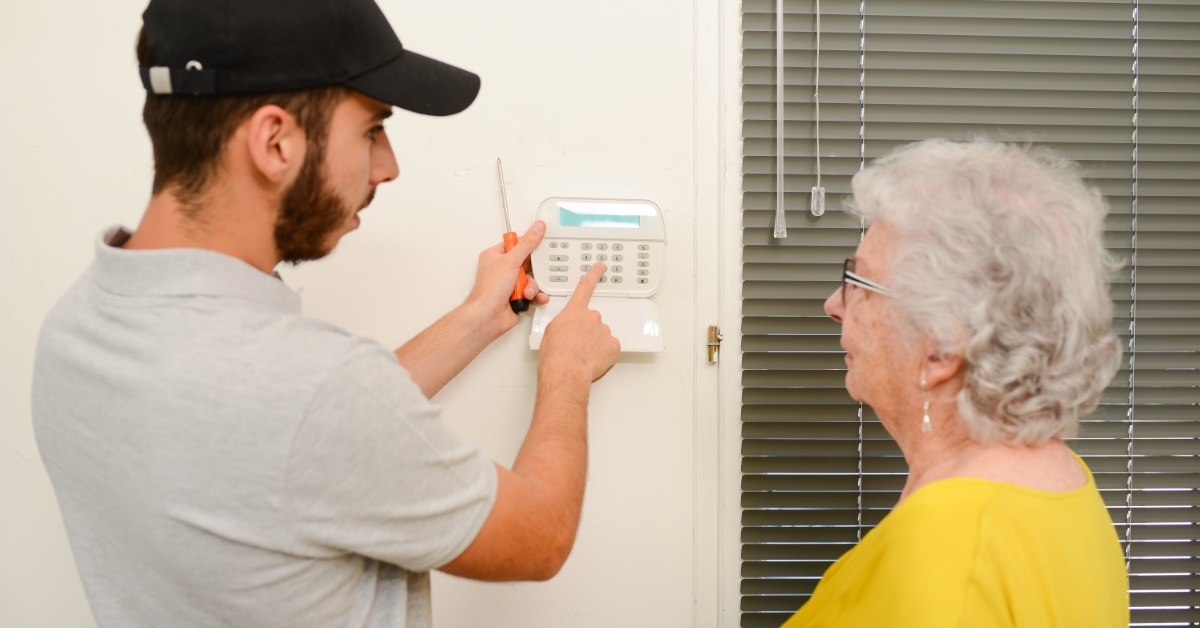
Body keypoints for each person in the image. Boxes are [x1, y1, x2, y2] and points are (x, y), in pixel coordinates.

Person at [31, 0, 620, 626]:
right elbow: (540, 534)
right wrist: (568, 370)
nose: (389, 166)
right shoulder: (311, 388)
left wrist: (476, 318)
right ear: (274, 141)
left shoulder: (78, 327)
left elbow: (287, 443)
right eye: (372, 129)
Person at [781, 138, 1129, 627]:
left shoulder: (948, 544)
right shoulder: (1062, 482)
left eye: (857, 282)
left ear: (943, 348)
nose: (834, 305)